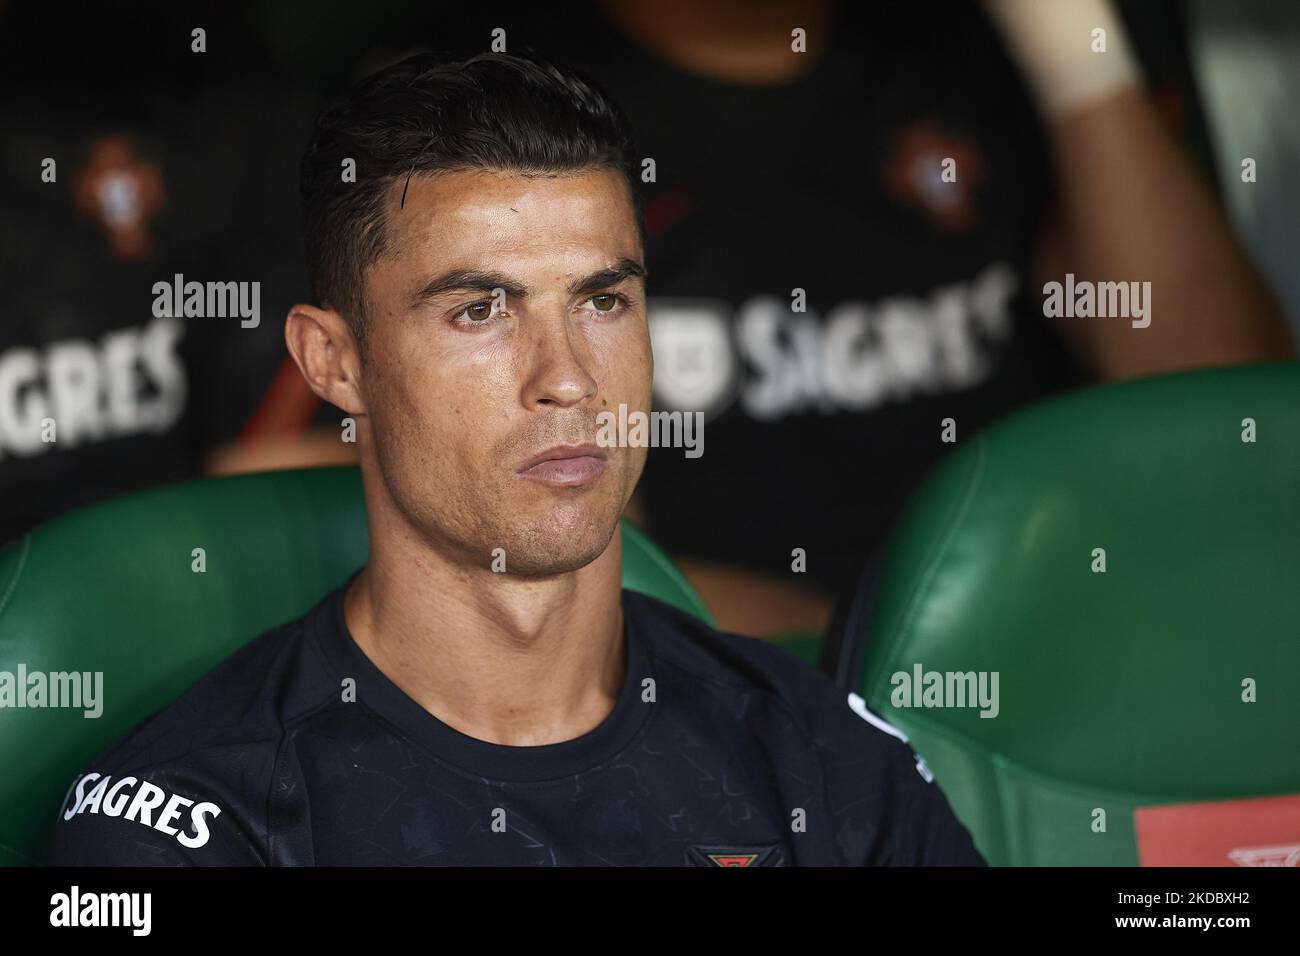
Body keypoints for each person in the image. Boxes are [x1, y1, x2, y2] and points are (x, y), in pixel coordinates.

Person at [46, 51, 984, 866]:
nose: (567, 380)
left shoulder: (818, 755)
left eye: (604, 301)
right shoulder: (195, 822)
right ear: (336, 364)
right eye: (479, 310)